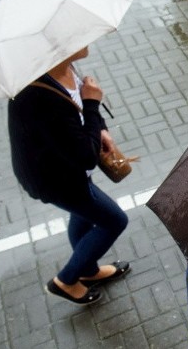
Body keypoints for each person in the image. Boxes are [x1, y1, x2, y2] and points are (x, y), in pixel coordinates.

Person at [8, 46, 130, 305]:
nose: (87, 41)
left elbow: (79, 117)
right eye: (79, 37)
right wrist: (92, 103)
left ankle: (88, 270)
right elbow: (85, 154)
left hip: (68, 170)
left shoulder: (64, 68)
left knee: (84, 213)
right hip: (56, 179)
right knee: (114, 221)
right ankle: (66, 280)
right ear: (58, 45)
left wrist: (101, 128)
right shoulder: (37, 97)